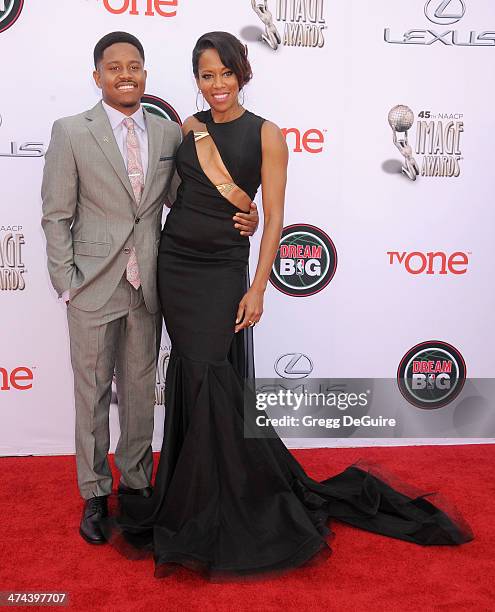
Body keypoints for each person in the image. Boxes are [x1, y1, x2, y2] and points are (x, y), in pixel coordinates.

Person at [110, 32, 473, 578]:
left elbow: (274, 217)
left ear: (243, 73)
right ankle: (192, 494)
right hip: (176, 263)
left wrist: (258, 287)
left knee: (212, 374)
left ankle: (226, 502)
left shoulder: (268, 134)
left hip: (223, 271)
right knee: (192, 371)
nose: (217, 85)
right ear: (197, 79)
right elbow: (173, 193)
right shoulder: (190, 128)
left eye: (226, 73)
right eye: (207, 76)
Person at [41, 31, 258, 546]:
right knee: (92, 393)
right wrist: (66, 285)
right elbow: (56, 216)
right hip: (91, 287)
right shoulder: (72, 131)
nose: (125, 74)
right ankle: (95, 493)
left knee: (140, 391)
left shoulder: (167, 133)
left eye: (134, 66)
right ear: (97, 76)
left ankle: (136, 485)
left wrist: (245, 216)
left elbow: (191, 199)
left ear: (146, 73)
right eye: (113, 67)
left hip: (152, 284)